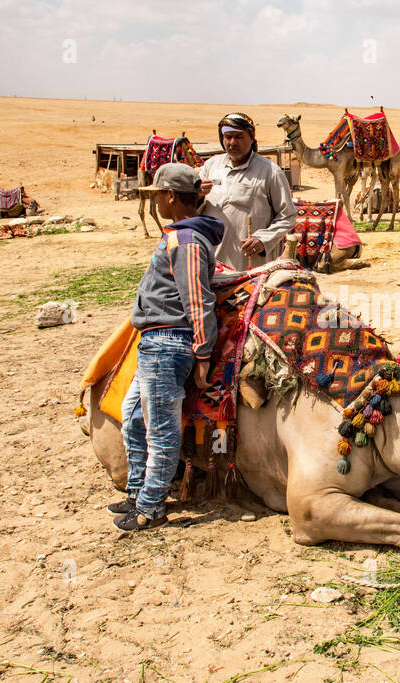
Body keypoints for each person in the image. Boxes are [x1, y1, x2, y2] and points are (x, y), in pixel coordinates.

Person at [112, 163, 223, 530]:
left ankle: (151, 508)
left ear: (171, 196)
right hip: (153, 342)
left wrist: (203, 353)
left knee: (160, 429)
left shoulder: (186, 240)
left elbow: (197, 299)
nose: (156, 201)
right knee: (134, 418)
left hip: (167, 343)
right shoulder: (180, 235)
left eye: (158, 194)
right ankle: (136, 492)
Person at [199, 112, 296, 271]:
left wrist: (263, 240)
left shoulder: (270, 171)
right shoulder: (211, 166)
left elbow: (288, 215)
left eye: (239, 137)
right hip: (212, 262)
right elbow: (192, 208)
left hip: (250, 263)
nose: (232, 142)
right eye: (228, 137)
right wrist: (197, 196)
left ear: (251, 138)